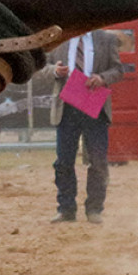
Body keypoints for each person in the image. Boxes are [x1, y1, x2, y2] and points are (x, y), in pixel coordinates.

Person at [48, 30, 125, 224]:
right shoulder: (58, 39)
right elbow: (42, 67)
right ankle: (66, 209)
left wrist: (102, 78)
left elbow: (118, 70)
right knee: (64, 161)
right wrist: (54, 71)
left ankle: (94, 209)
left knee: (98, 161)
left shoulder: (106, 39)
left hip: (95, 106)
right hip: (66, 106)